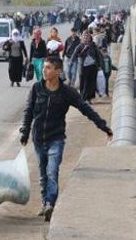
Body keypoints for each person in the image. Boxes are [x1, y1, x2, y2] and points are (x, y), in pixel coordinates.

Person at [20, 57, 112, 222]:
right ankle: (44, 202)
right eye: (44, 68)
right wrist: (25, 132)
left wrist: (103, 126)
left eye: (48, 68)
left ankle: (50, 203)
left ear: (58, 71)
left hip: (56, 138)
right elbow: (28, 111)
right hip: (39, 138)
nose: (44, 71)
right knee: (43, 173)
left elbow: (85, 109)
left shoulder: (67, 92)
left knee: (52, 171)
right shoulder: (36, 88)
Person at [71, 31, 102, 103]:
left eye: (87, 36)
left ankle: (89, 98)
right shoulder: (80, 46)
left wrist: (99, 65)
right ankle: (83, 98)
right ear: (82, 37)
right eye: (84, 36)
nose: (86, 38)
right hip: (83, 67)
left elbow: (98, 55)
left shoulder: (93, 45)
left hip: (93, 66)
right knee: (84, 83)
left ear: (90, 37)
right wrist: (72, 63)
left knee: (91, 83)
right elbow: (74, 56)